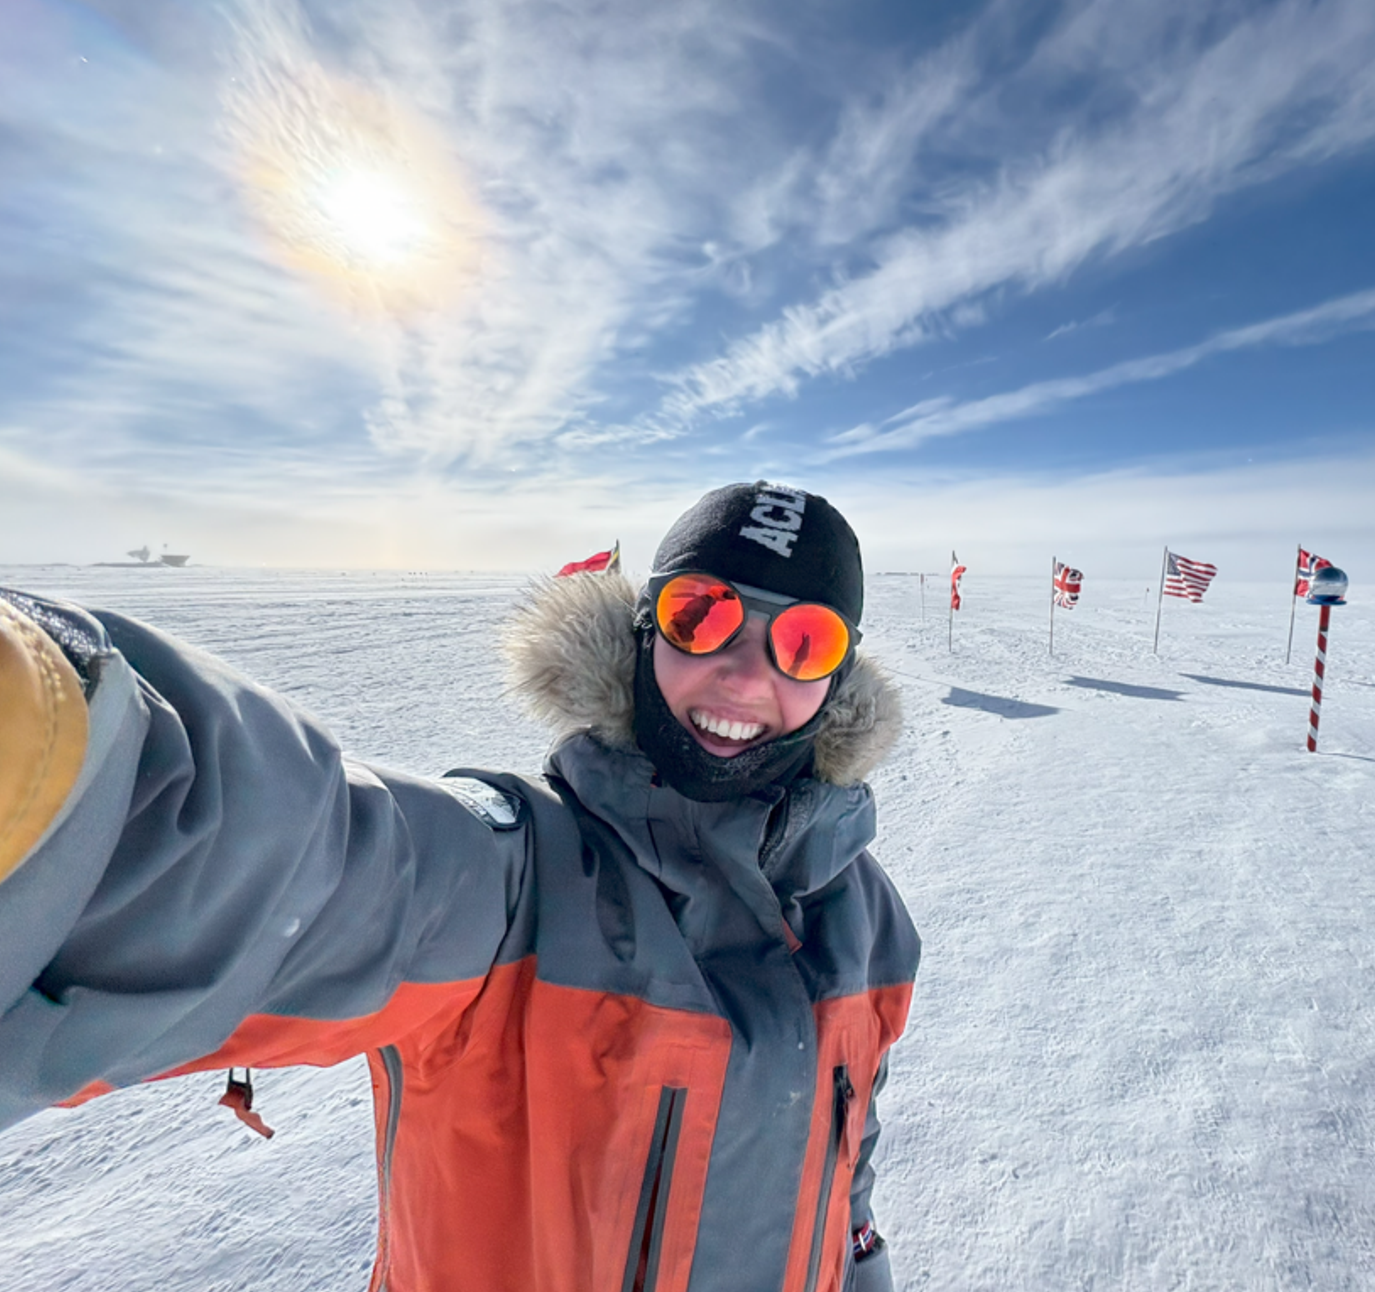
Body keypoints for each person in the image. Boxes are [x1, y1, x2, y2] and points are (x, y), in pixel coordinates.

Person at [0, 481, 918, 1292]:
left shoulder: (866, 917)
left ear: (837, 682)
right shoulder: (517, 880)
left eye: (803, 640)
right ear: (643, 636)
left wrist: (860, 1250)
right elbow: (281, 864)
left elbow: (847, 1130)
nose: (748, 672)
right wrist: (56, 752)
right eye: (702, 615)